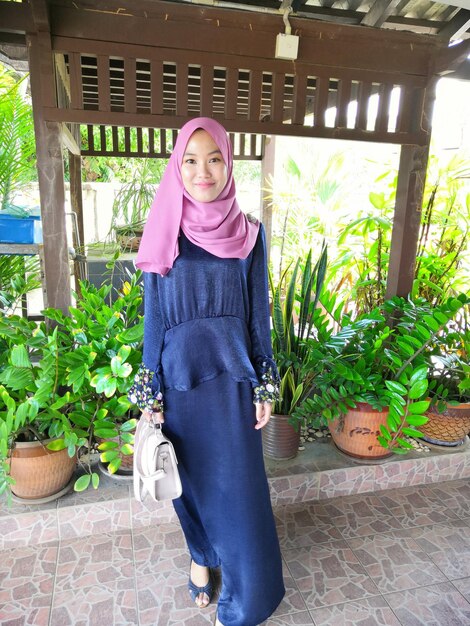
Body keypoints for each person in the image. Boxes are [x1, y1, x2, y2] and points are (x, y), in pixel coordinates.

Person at [129, 117, 285, 626]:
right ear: (177, 165)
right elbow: (153, 320)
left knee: (240, 500)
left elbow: (258, 316)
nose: (203, 171)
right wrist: (148, 394)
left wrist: (265, 381)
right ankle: (201, 556)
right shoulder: (163, 230)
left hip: (233, 387)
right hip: (177, 387)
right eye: (190, 160)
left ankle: (245, 605)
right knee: (189, 485)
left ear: (228, 163)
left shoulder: (250, 235)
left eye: (214, 158)